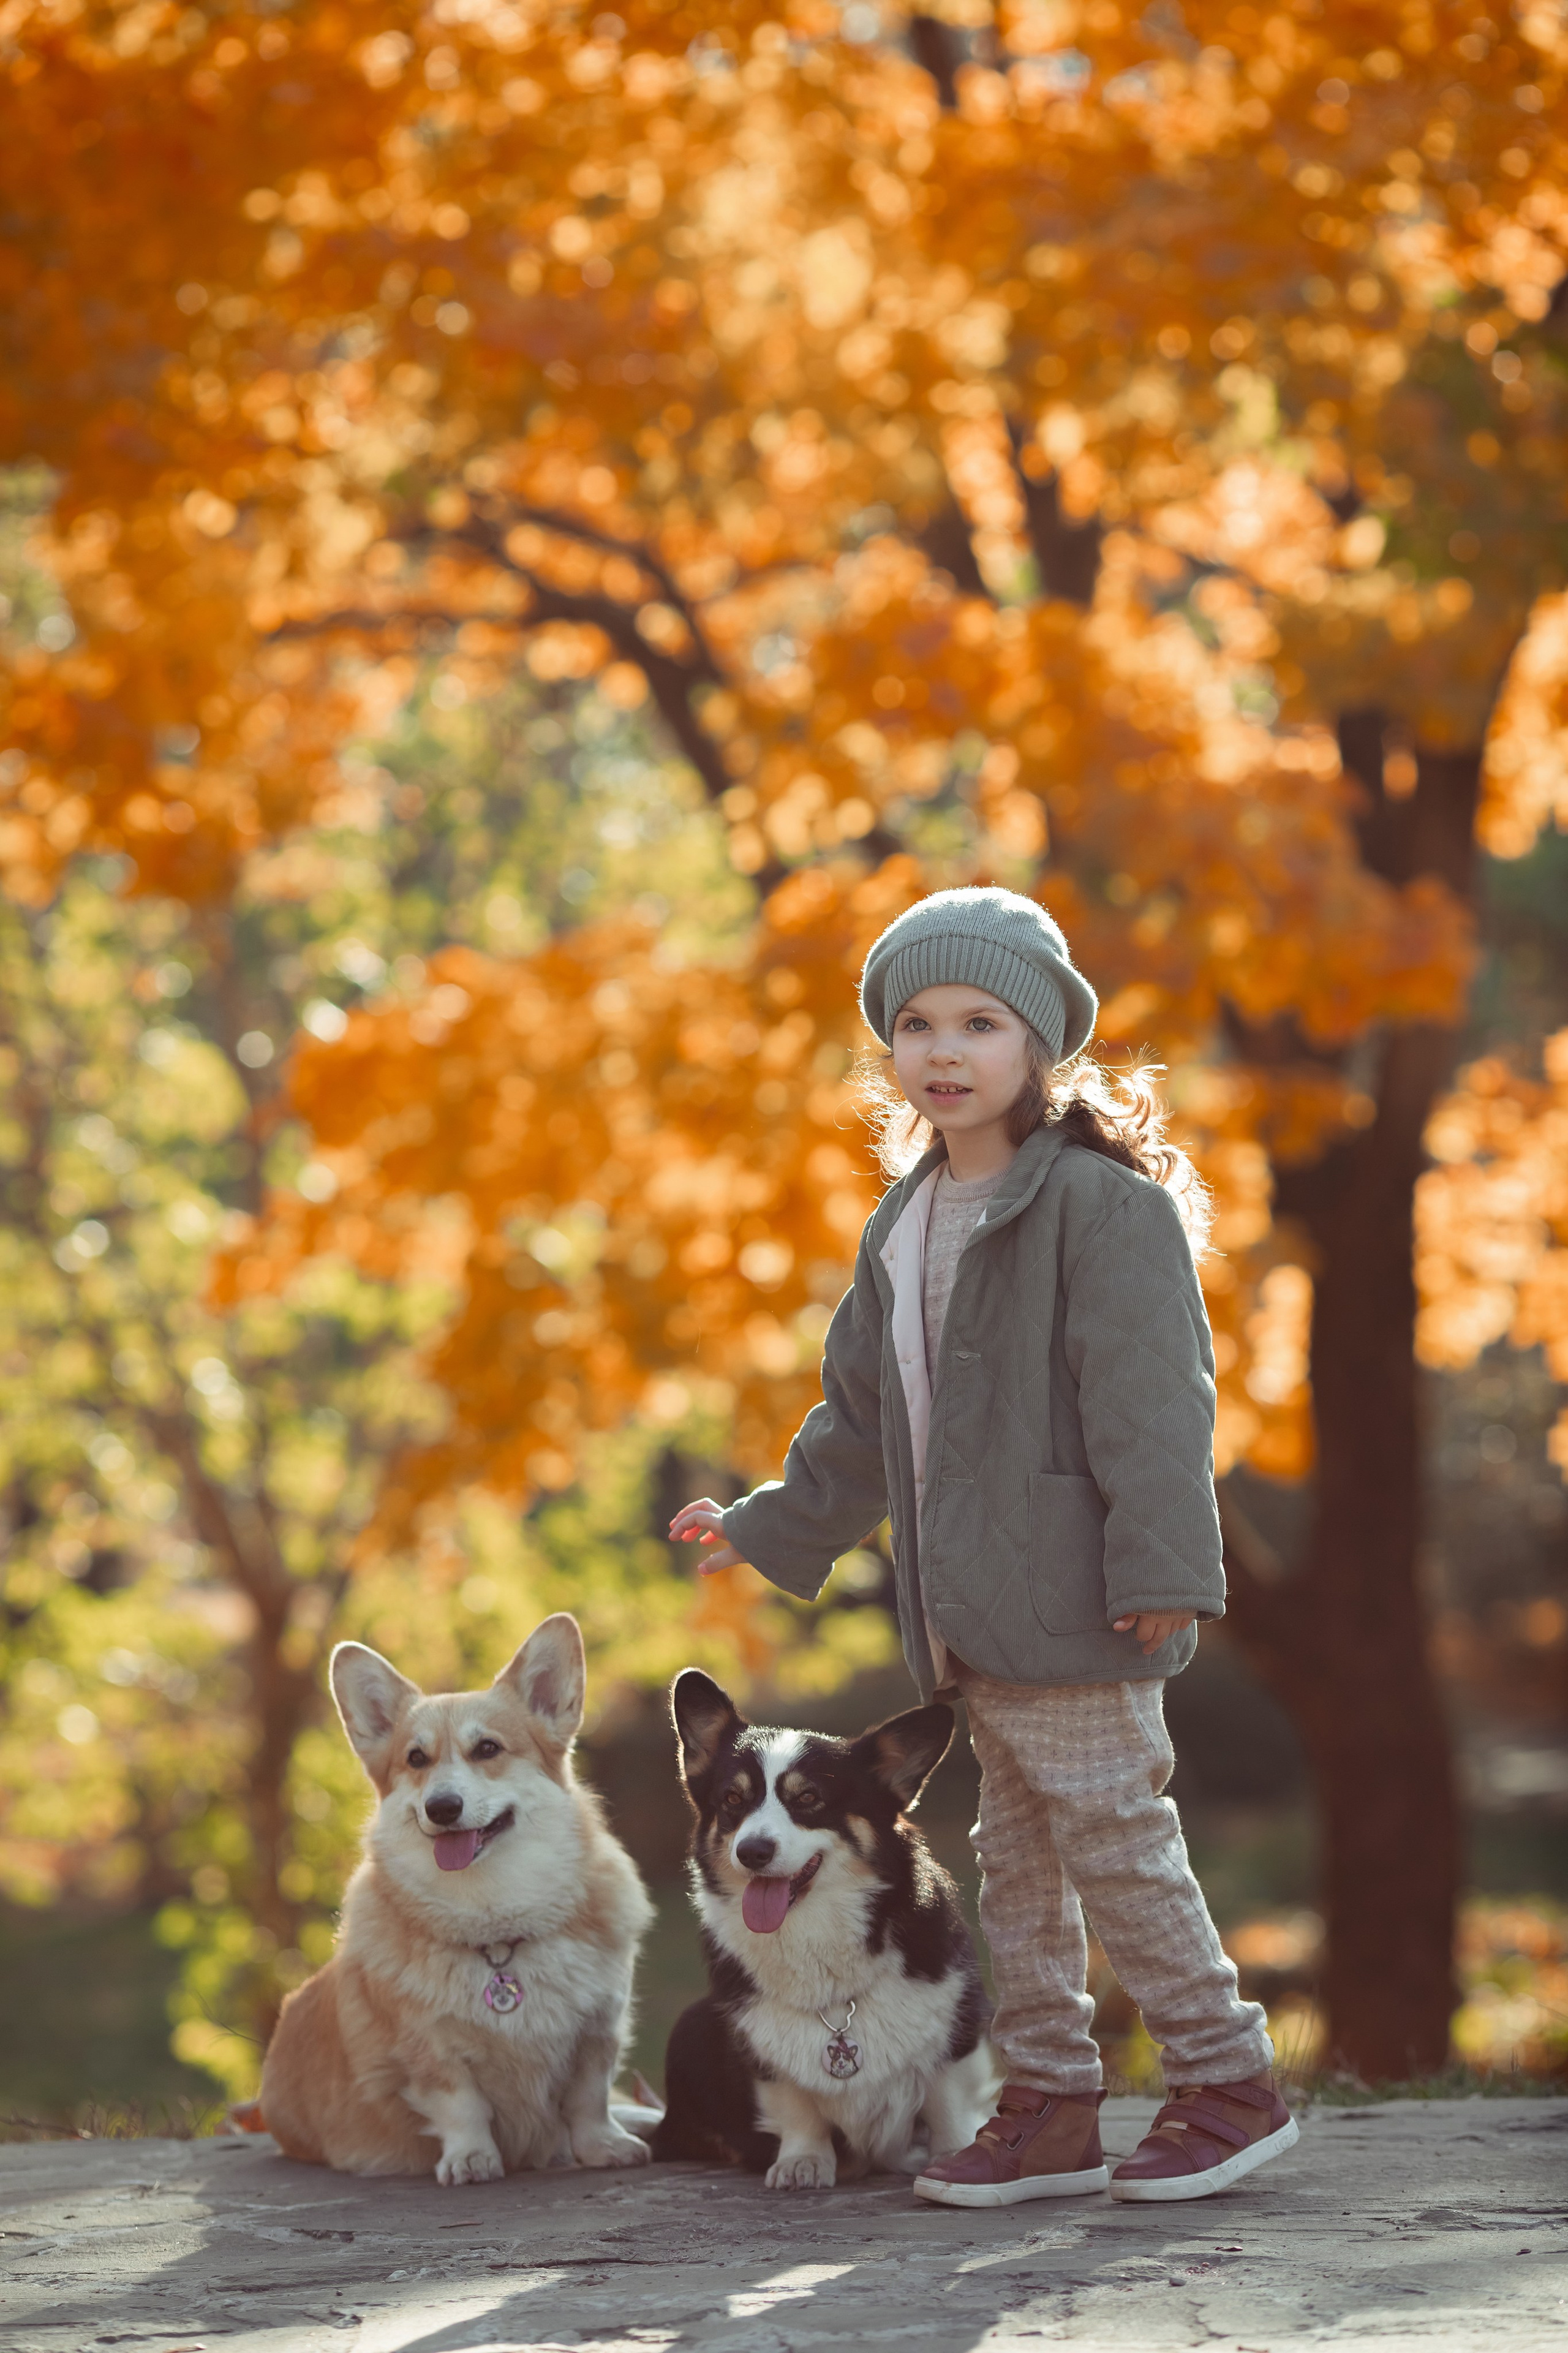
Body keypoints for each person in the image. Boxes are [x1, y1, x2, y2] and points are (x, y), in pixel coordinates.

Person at [669, 885, 1297, 2207]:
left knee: (1117, 1843)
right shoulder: (902, 1222)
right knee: (1014, 1868)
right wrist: (767, 1523)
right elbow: (859, 1416)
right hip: (968, 1618)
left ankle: (1227, 2076)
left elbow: (1155, 1400)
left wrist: (1164, 1567)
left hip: (1079, 1599)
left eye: (978, 1022)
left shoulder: (1099, 1206)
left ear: (1038, 1043)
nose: (943, 1050)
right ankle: (1050, 2100)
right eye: (916, 1024)